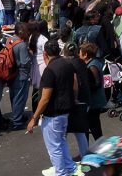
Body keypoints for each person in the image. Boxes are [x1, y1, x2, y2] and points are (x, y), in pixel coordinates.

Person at [26, 41, 78, 176]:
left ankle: (61, 173)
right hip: (66, 110)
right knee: (61, 142)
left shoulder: (50, 70)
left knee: (54, 147)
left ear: (45, 54)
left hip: (53, 114)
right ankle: (70, 168)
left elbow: (44, 99)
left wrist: (34, 118)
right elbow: (75, 86)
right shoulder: (68, 64)